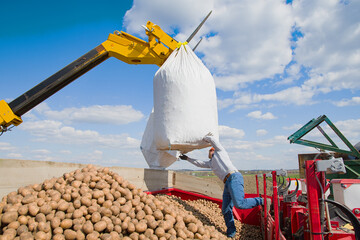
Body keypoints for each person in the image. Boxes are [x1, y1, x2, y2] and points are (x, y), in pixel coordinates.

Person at [179, 133, 263, 238]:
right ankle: (231, 232)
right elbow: (198, 163)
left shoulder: (220, 152)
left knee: (240, 204)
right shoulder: (210, 163)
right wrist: (187, 158)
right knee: (226, 209)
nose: (210, 151)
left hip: (234, 177)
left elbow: (214, 142)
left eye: (211, 149)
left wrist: (205, 137)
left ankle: (262, 201)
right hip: (227, 183)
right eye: (209, 151)